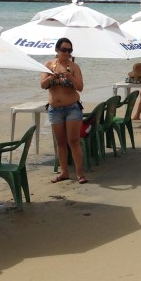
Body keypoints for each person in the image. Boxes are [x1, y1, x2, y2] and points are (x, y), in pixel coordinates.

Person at [40, 38, 87, 184]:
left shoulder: (74, 67)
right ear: (57, 50)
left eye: (69, 50)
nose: (66, 53)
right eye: (64, 50)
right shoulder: (49, 65)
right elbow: (42, 85)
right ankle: (64, 172)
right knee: (60, 142)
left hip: (72, 107)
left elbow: (80, 87)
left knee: (73, 141)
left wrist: (71, 77)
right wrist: (50, 77)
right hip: (55, 109)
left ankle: (79, 173)